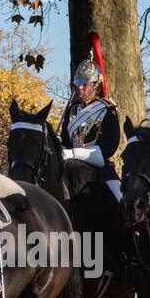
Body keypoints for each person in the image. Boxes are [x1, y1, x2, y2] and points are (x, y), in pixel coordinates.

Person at [60, 32, 122, 202]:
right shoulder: (72, 109)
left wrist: (72, 153)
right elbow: (65, 138)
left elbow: (109, 146)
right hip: (69, 164)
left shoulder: (107, 109)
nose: (79, 88)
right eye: (77, 84)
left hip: (99, 165)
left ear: (96, 84)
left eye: (84, 84)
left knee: (119, 198)